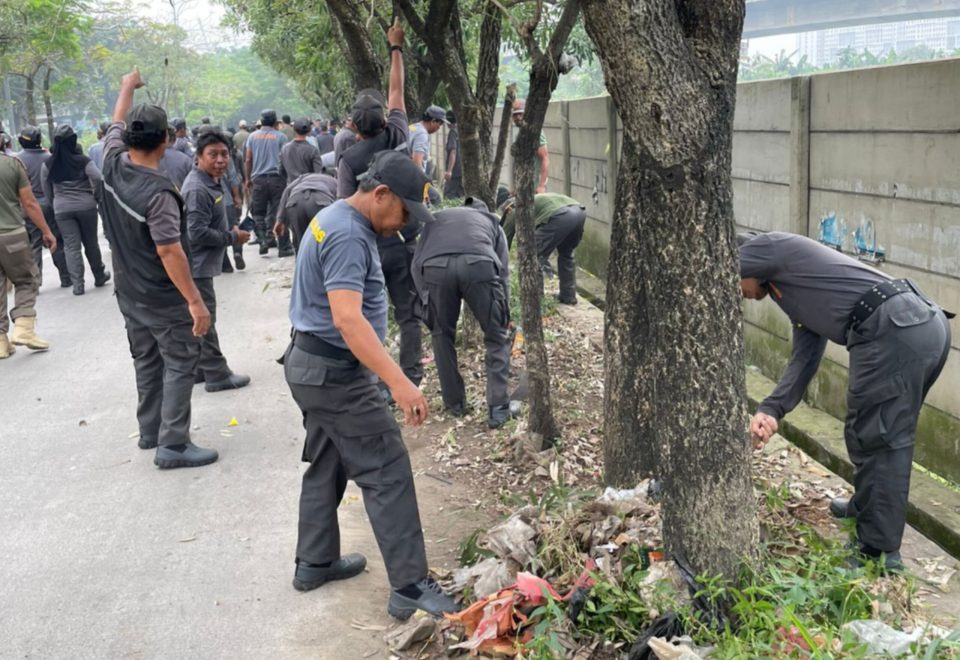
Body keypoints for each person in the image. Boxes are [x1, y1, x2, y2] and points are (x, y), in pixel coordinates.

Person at [283, 148, 460, 619]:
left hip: (310, 365)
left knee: (328, 459)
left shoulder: (335, 217)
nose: (406, 222)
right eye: (404, 210)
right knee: (387, 467)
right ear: (380, 194)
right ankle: (410, 588)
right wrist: (399, 381)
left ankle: (314, 561)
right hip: (335, 373)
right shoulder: (347, 235)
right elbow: (347, 318)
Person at [739, 231, 952, 570]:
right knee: (864, 429)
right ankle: (867, 509)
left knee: (880, 439)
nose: (742, 295)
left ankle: (878, 552)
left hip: (893, 328)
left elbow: (718, 266)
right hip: (916, 324)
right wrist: (771, 410)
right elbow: (805, 358)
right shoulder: (794, 289)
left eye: (738, 283)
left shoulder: (768, 247)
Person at [99, 66, 217, 468]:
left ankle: (150, 431)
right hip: (161, 297)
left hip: (129, 293)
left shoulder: (111, 163)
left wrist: (126, 85)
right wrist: (195, 301)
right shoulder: (159, 194)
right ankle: (173, 444)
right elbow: (170, 251)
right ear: (167, 140)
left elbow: (116, 120)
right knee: (181, 360)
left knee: (147, 359)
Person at [338, 21, 423, 390]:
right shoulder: (400, 135)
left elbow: (345, 209)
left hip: (371, 247)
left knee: (371, 313)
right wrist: (395, 48)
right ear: (385, 120)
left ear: (353, 127)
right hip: (407, 241)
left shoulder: (348, 159)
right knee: (408, 315)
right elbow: (397, 90)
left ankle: (376, 383)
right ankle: (411, 376)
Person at [412, 200, 512, 427]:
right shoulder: (492, 221)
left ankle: (454, 404)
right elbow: (503, 271)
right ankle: (498, 409)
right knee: (497, 336)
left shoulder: (434, 219)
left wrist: (425, 297)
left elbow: (416, 264)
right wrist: (503, 311)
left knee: (441, 335)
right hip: (479, 264)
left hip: (435, 269)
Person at [182, 128, 252, 391]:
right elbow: (196, 233)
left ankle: (202, 368)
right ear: (199, 156)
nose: (221, 160)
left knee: (201, 318)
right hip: (196, 266)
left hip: (202, 264)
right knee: (205, 318)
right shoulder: (197, 188)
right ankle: (217, 375)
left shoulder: (210, 180)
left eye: (224, 154)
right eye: (213, 154)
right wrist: (231, 238)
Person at [40, 124, 110, 296]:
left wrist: (56, 202)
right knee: (91, 243)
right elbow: (99, 178)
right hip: (86, 207)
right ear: (73, 141)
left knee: (72, 247)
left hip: (62, 209)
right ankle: (99, 276)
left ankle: (78, 285)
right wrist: (95, 197)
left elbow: (46, 189)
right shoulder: (83, 161)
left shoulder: (48, 165)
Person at [0, 151, 57, 359]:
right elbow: (29, 203)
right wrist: (46, 231)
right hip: (12, 235)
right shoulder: (12, 164)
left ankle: (1, 342)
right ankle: (24, 327)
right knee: (26, 279)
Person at [500, 192, 586, 305]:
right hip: (579, 212)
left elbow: (504, 241)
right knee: (567, 253)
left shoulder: (513, 208)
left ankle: (537, 302)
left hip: (560, 215)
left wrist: (499, 265)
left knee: (531, 254)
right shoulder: (531, 199)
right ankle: (568, 296)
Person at [15, 126, 70, 287]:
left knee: (34, 244)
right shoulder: (50, 157)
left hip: (29, 207)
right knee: (56, 239)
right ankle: (66, 277)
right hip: (50, 205)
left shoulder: (18, 160)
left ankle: (35, 281)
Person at [244, 108, 292, 257]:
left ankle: (263, 239)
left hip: (258, 180)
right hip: (277, 179)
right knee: (280, 212)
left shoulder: (252, 137)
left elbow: (248, 159)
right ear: (274, 121)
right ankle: (284, 247)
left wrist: (247, 178)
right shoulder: (281, 137)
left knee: (258, 213)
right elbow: (285, 159)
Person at [275, 172, 337, 252]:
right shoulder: (334, 181)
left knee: (300, 242)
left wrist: (280, 220)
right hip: (320, 202)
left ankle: (300, 262)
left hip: (295, 202)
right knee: (322, 240)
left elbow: (287, 190)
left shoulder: (303, 177)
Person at [511, 99, 549, 194]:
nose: (518, 117)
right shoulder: (521, 134)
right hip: (523, 188)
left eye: (521, 114)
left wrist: (541, 186)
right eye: (515, 115)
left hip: (534, 188)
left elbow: (545, 158)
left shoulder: (536, 133)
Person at [279, 118, 324, 184]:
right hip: (308, 188)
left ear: (294, 129)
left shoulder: (285, 149)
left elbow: (280, 171)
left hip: (291, 188)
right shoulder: (313, 150)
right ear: (309, 131)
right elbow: (318, 173)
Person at [407, 105, 445, 172]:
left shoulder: (413, 127)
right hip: (410, 177)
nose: (439, 127)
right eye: (440, 124)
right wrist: (423, 181)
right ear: (433, 121)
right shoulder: (422, 135)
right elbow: (416, 163)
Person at [442, 110, 463, 200]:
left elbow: (453, 151)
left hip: (454, 172)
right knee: (460, 196)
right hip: (462, 172)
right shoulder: (462, 131)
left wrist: (449, 171)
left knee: (448, 196)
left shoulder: (453, 133)